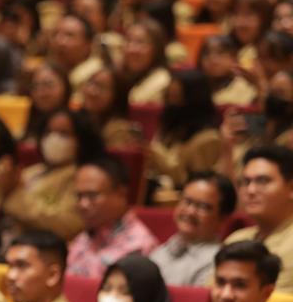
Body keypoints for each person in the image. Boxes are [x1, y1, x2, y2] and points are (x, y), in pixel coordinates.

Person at [225, 145, 293, 293]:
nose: (250, 190)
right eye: (245, 182)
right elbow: (209, 297)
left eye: (263, 181)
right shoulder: (236, 239)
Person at [2, 109, 105, 243]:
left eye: (64, 134)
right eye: (48, 132)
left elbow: (65, 226)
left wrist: (14, 193)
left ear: (81, 140)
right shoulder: (31, 171)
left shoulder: (85, 178)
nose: (53, 139)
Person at [68, 156, 159, 279]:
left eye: (92, 195)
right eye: (79, 196)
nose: (83, 204)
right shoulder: (84, 236)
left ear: (120, 194)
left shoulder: (140, 247)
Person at [151, 171, 237, 287]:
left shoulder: (217, 263)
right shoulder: (161, 251)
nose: (190, 211)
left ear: (222, 219)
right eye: (187, 201)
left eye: (202, 206)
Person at [148, 69, 222, 199]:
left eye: (177, 98)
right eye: (169, 98)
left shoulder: (208, 139)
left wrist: (151, 151)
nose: (172, 105)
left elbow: (185, 178)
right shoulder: (170, 128)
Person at [80, 67, 139, 150]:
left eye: (102, 88)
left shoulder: (119, 131)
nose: (92, 91)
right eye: (91, 83)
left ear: (117, 96)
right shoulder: (79, 120)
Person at [47, 14, 103, 99]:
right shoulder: (47, 72)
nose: (59, 41)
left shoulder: (97, 76)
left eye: (69, 35)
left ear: (88, 44)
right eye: (55, 34)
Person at [120, 20, 171, 105]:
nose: (131, 49)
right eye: (128, 41)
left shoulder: (163, 82)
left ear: (157, 49)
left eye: (140, 42)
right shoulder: (120, 76)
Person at [23, 63, 71, 142]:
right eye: (35, 86)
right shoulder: (30, 124)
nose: (41, 93)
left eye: (49, 85)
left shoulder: (77, 123)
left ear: (65, 87)